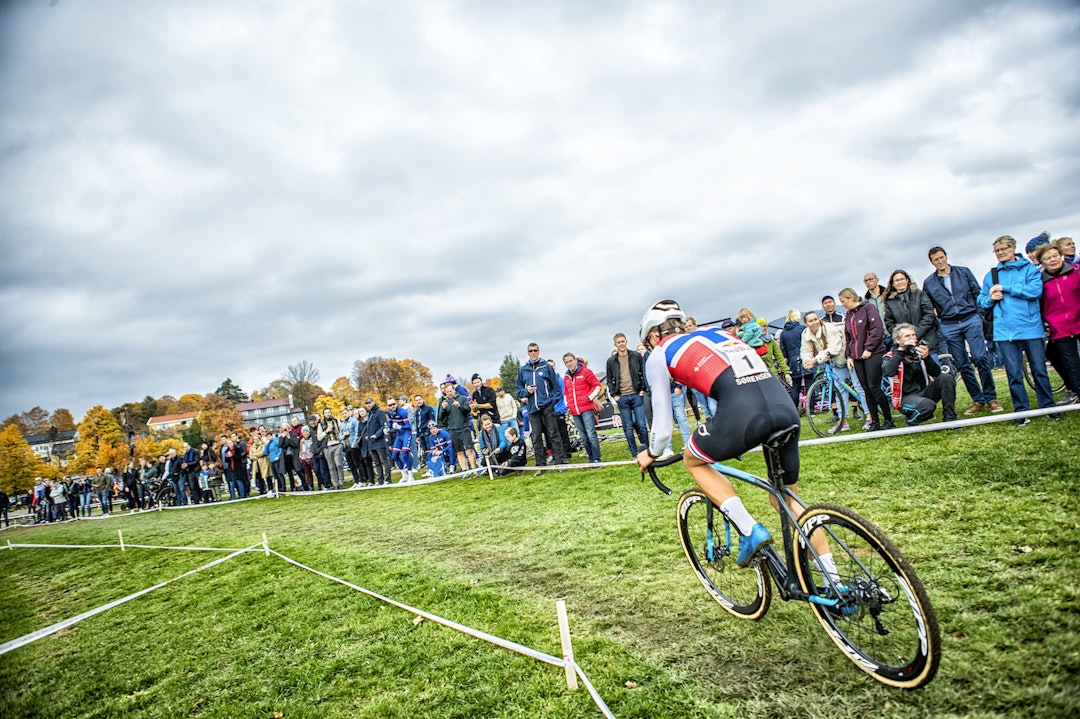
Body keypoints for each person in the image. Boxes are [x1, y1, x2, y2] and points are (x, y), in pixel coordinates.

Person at [635, 300, 832, 572]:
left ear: (654, 335)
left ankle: (750, 530)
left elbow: (663, 430)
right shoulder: (721, 333)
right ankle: (835, 581)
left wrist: (651, 453)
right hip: (784, 407)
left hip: (742, 413)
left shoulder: (659, 353)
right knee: (786, 500)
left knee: (694, 460)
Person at [978, 235, 1057, 424]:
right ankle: (1021, 412)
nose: (1000, 253)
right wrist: (990, 298)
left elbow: (1035, 291)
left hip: (1031, 328)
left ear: (1013, 248)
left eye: (1004, 249)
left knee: (1039, 370)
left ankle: (1048, 407)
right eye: (997, 251)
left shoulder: (1029, 269)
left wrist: (1007, 288)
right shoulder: (991, 275)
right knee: (1013, 374)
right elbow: (981, 301)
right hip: (1005, 331)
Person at [923, 246, 1003, 415]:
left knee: (981, 358)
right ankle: (978, 399)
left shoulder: (963, 272)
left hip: (970, 318)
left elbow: (977, 293)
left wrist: (978, 315)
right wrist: (941, 323)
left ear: (946, 256)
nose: (940, 261)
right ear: (932, 262)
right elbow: (930, 307)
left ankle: (991, 398)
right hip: (949, 324)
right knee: (962, 364)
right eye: (936, 259)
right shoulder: (929, 283)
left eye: (942, 257)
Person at [838, 287, 895, 431]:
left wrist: (869, 348)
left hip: (873, 353)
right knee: (865, 389)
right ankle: (874, 421)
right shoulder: (849, 315)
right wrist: (849, 355)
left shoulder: (868, 308)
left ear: (851, 298)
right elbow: (848, 337)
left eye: (843, 301)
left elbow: (877, 330)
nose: (842, 304)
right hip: (857, 356)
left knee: (874, 387)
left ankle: (888, 420)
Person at [882, 323, 958, 425]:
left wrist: (926, 358)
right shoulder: (890, 356)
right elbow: (889, 372)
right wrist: (900, 351)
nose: (912, 338)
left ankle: (950, 418)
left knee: (946, 377)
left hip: (924, 392)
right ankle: (911, 420)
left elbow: (936, 373)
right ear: (898, 340)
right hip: (904, 398)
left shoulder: (918, 353)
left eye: (913, 335)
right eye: (907, 336)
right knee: (928, 406)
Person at [1035, 241, 1080, 400]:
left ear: (1061, 256)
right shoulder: (1039, 282)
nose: (1053, 260)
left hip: (1079, 323)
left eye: (1055, 256)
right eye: (1047, 258)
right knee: (1072, 366)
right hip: (1059, 330)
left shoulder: (1076, 272)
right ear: (1041, 262)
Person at [517, 343, 569, 475]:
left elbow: (556, 388)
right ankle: (541, 466)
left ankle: (560, 462)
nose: (533, 353)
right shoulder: (523, 370)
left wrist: (551, 402)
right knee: (536, 437)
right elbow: (518, 390)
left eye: (535, 350)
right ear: (528, 353)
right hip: (533, 408)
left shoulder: (546, 367)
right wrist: (526, 391)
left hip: (547, 407)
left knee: (553, 434)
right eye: (531, 351)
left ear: (539, 351)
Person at [604, 333, 649, 458]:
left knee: (642, 425)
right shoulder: (611, 361)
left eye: (623, 341)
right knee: (628, 428)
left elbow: (644, 373)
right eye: (618, 342)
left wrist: (642, 390)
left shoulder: (635, 356)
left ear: (626, 342)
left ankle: (646, 450)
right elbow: (609, 379)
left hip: (636, 395)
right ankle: (634, 453)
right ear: (615, 344)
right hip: (622, 397)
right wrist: (615, 395)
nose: (621, 344)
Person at [883, 270, 939, 360]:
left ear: (907, 280)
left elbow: (929, 315)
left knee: (933, 371)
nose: (900, 282)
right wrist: (904, 337)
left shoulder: (920, 294)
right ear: (893, 284)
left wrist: (915, 334)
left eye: (902, 279)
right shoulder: (890, 302)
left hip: (926, 342)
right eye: (897, 280)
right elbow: (889, 323)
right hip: (906, 347)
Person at [562, 353, 603, 464]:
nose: (569, 364)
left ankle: (596, 458)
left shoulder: (586, 372)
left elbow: (597, 385)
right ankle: (590, 457)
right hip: (575, 411)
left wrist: (590, 397)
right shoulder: (566, 377)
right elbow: (566, 392)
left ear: (575, 360)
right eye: (566, 362)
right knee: (583, 437)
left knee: (591, 434)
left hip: (586, 409)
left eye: (571, 361)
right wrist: (568, 404)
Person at [438, 381, 478, 473]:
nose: (449, 393)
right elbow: (441, 417)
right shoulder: (444, 402)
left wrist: (459, 406)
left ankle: (474, 469)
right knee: (459, 451)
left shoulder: (462, 398)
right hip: (452, 429)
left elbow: (467, 411)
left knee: (469, 450)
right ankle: (465, 470)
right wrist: (443, 409)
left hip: (464, 427)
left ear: (454, 390)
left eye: (450, 391)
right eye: (447, 392)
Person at [779, 310, 808, 409]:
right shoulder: (802, 329)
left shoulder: (783, 333)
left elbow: (783, 349)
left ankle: (794, 407)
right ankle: (810, 408)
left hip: (792, 360)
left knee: (796, 385)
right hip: (804, 356)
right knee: (809, 381)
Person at [363, 398, 392, 485]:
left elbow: (383, 425)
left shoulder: (380, 412)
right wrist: (367, 436)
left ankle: (387, 479)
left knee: (384, 461)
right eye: (367, 404)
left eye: (369, 403)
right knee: (376, 463)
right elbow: (368, 427)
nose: (368, 405)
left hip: (379, 441)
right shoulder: (370, 413)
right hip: (371, 442)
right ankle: (380, 480)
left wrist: (377, 435)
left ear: (373, 402)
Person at [385, 397, 414, 482]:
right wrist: (387, 428)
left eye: (394, 404)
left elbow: (409, 426)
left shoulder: (402, 412)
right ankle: (404, 475)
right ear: (388, 406)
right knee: (394, 456)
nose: (392, 406)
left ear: (396, 404)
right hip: (399, 435)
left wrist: (400, 426)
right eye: (390, 405)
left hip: (406, 433)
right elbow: (390, 422)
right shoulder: (389, 413)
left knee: (405, 453)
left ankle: (411, 475)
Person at [319, 407, 346, 489]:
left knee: (338, 464)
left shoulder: (336, 421)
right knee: (331, 466)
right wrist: (326, 431)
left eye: (329, 412)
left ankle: (341, 482)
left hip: (337, 444)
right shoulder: (321, 424)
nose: (328, 414)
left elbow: (342, 430)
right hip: (328, 446)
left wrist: (341, 442)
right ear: (324, 414)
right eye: (326, 412)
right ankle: (335, 483)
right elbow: (319, 437)